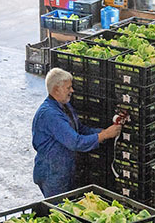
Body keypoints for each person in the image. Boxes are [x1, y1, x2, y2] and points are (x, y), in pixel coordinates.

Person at [32, 68, 123, 197]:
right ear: (56, 89)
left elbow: (79, 129)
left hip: (64, 169)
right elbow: (75, 142)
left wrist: (101, 133)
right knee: (57, 211)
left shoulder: (64, 106)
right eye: (68, 88)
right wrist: (105, 135)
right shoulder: (50, 115)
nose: (72, 91)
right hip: (52, 173)